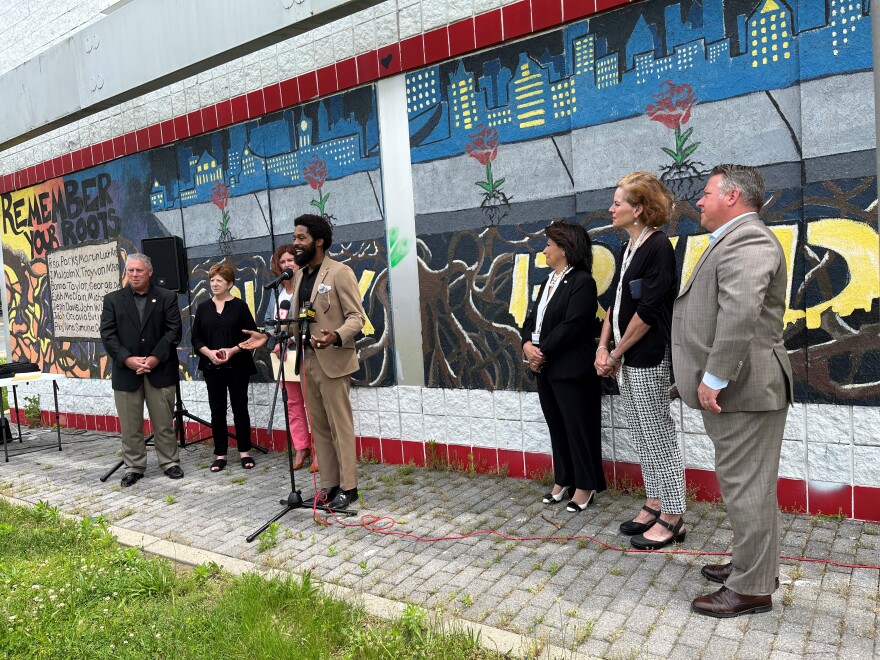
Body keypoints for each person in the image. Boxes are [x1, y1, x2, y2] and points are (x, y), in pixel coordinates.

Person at [672, 164, 793, 618]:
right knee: (747, 486)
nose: (698, 201)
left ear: (733, 195)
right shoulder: (734, 238)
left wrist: (714, 377)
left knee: (748, 489)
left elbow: (740, 312)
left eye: (705, 193)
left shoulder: (750, 239)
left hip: (743, 388)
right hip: (740, 388)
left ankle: (753, 589)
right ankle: (752, 567)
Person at [242, 214, 365, 510]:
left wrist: (335, 335)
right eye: (295, 238)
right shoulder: (299, 277)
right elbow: (298, 321)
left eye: (301, 238)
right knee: (320, 427)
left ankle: (349, 489)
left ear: (318, 241)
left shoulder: (339, 272)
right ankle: (329, 486)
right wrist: (268, 335)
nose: (295, 244)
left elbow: (357, 318)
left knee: (340, 427)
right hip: (307, 361)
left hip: (334, 360)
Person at [595, 172, 685, 550]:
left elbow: (647, 313)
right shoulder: (628, 247)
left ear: (640, 209)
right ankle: (654, 501)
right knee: (641, 431)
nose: (611, 209)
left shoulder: (658, 247)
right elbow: (616, 302)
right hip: (625, 355)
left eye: (618, 203)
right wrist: (603, 346)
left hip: (647, 356)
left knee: (657, 433)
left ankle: (675, 514)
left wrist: (615, 352)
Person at [521, 220, 605, 512]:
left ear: (565, 249)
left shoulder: (582, 281)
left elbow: (573, 325)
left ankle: (586, 485)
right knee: (557, 427)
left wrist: (541, 351)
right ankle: (564, 480)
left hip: (572, 369)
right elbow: (532, 321)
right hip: (546, 369)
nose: (544, 250)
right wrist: (526, 345)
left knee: (579, 428)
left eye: (548, 245)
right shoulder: (547, 282)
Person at [99, 252, 183, 486]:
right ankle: (134, 466)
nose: (134, 275)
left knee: (164, 423)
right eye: (131, 270)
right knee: (130, 425)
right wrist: (127, 359)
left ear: (150, 272)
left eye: (139, 270)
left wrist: (155, 358)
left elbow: (174, 331)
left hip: (160, 370)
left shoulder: (167, 297)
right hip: (127, 372)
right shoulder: (112, 300)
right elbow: (108, 334)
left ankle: (170, 463)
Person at [191, 263, 259, 471]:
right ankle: (220, 454)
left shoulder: (240, 306)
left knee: (240, 408)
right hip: (212, 367)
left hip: (238, 365)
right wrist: (209, 353)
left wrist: (233, 350)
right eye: (212, 280)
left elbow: (253, 336)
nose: (214, 284)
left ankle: (244, 452)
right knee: (217, 409)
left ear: (230, 283)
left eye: (219, 280)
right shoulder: (203, 308)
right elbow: (196, 338)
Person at [264, 244, 315, 471]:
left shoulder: (306, 287)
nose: (287, 264)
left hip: (305, 353)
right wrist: (275, 340)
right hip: (283, 357)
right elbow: (270, 324)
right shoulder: (279, 292)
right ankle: (301, 447)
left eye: (291, 260)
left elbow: (310, 321)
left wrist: (292, 338)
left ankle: (320, 450)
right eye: (283, 261)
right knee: (293, 403)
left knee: (313, 404)